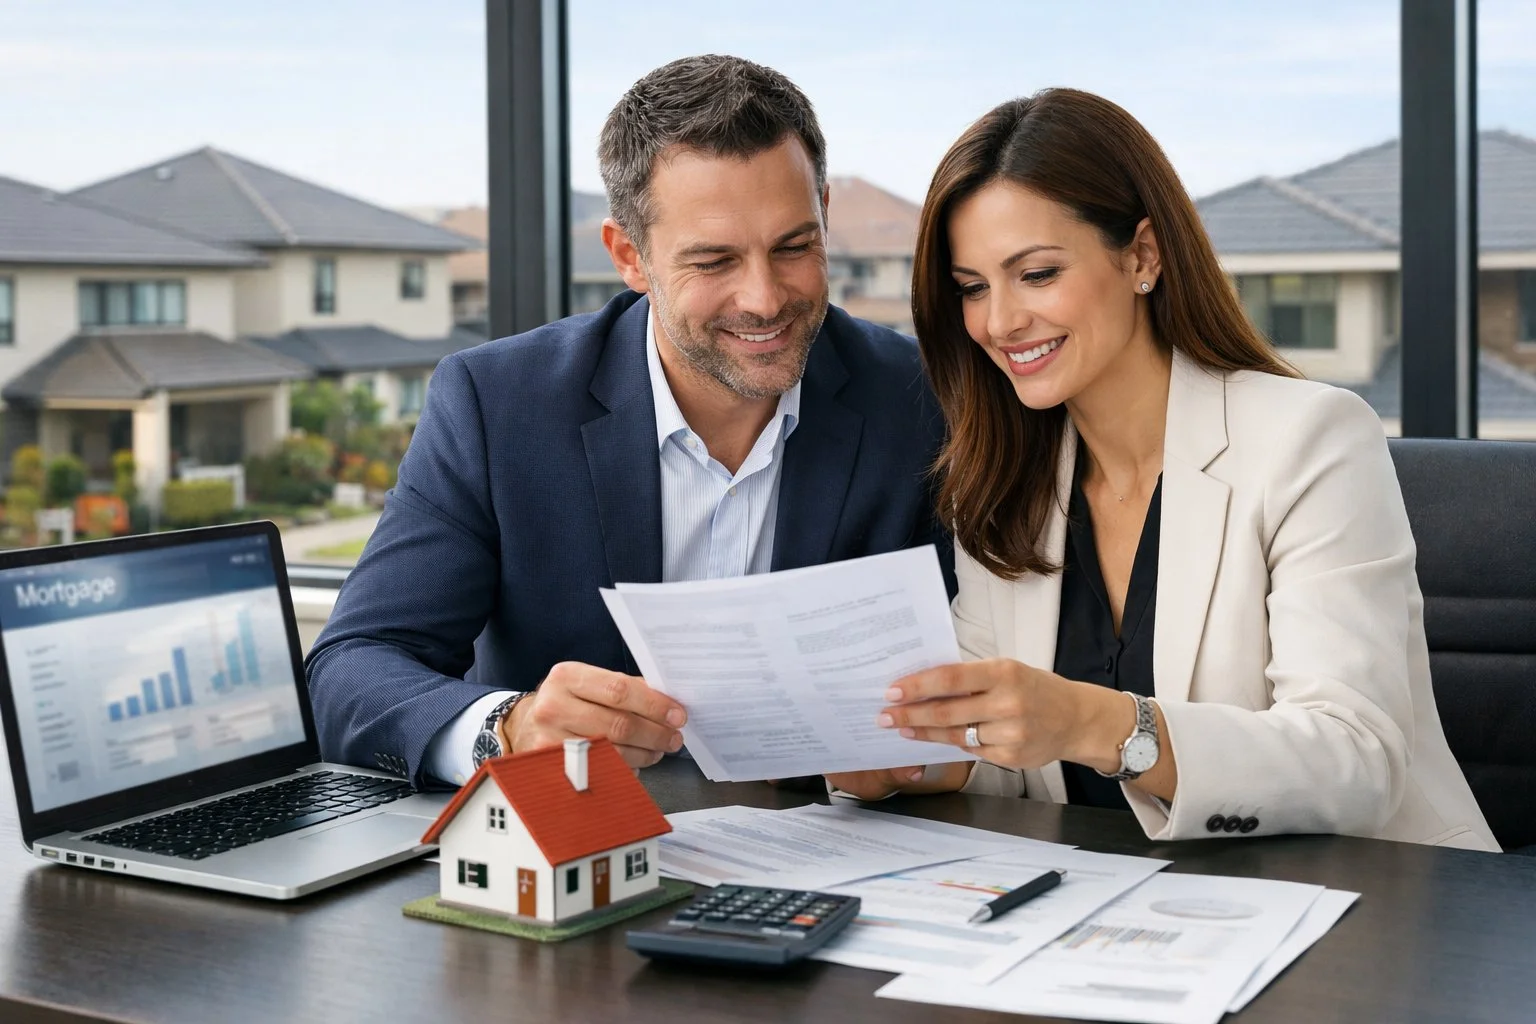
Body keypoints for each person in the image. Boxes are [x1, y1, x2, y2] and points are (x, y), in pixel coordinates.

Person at [826, 88, 1497, 850]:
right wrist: (918, 761)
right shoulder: (1003, 485)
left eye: (1037, 273)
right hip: (1117, 918)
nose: (1000, 321)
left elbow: (1355, 761)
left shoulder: (1311, 438)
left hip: (1362, 909)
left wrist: (1093, 721)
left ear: (1142, 255)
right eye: (972, 288)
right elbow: (1018, 767)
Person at [305, 55, 953, 789]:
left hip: (847, 861)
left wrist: (935, 757)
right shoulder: (498, 405)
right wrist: (507, 730)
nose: (766, 298)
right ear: (629, 256)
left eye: (794, 247)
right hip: (583, 856)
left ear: (825, 215)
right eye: (713, 261)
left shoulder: (922, 399)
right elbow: (351, 669)